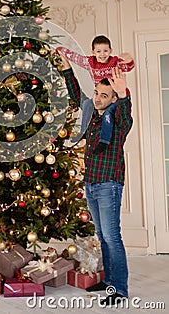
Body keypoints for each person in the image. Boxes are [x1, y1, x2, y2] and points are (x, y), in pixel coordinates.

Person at [60, 54, 133, 306]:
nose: (98, 98)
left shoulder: (118, 121)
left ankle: (120, 289)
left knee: (112, 237)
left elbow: (125, 113)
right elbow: (77, 96)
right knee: (102, 236)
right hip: (91, 183)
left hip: (109, 185)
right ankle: (109, 279)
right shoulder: (92, 114)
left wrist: (124, 95)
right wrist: (67, 68)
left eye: (104, 95)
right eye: (97, 93)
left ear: (113, 99)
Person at [56, 35, 134, 151]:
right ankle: (83, 131)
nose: (102, 54)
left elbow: (127, 67)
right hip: (101, 95)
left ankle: (104, 141)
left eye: (105, 51)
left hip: (115, 97)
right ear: (93, 52)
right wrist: (60, 50)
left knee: (107, 114)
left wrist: (129, 60)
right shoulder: (90, 62)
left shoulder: (114, 62)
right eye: (98, 51)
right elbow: (76, 58)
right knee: (87, 103)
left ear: (110, 51)